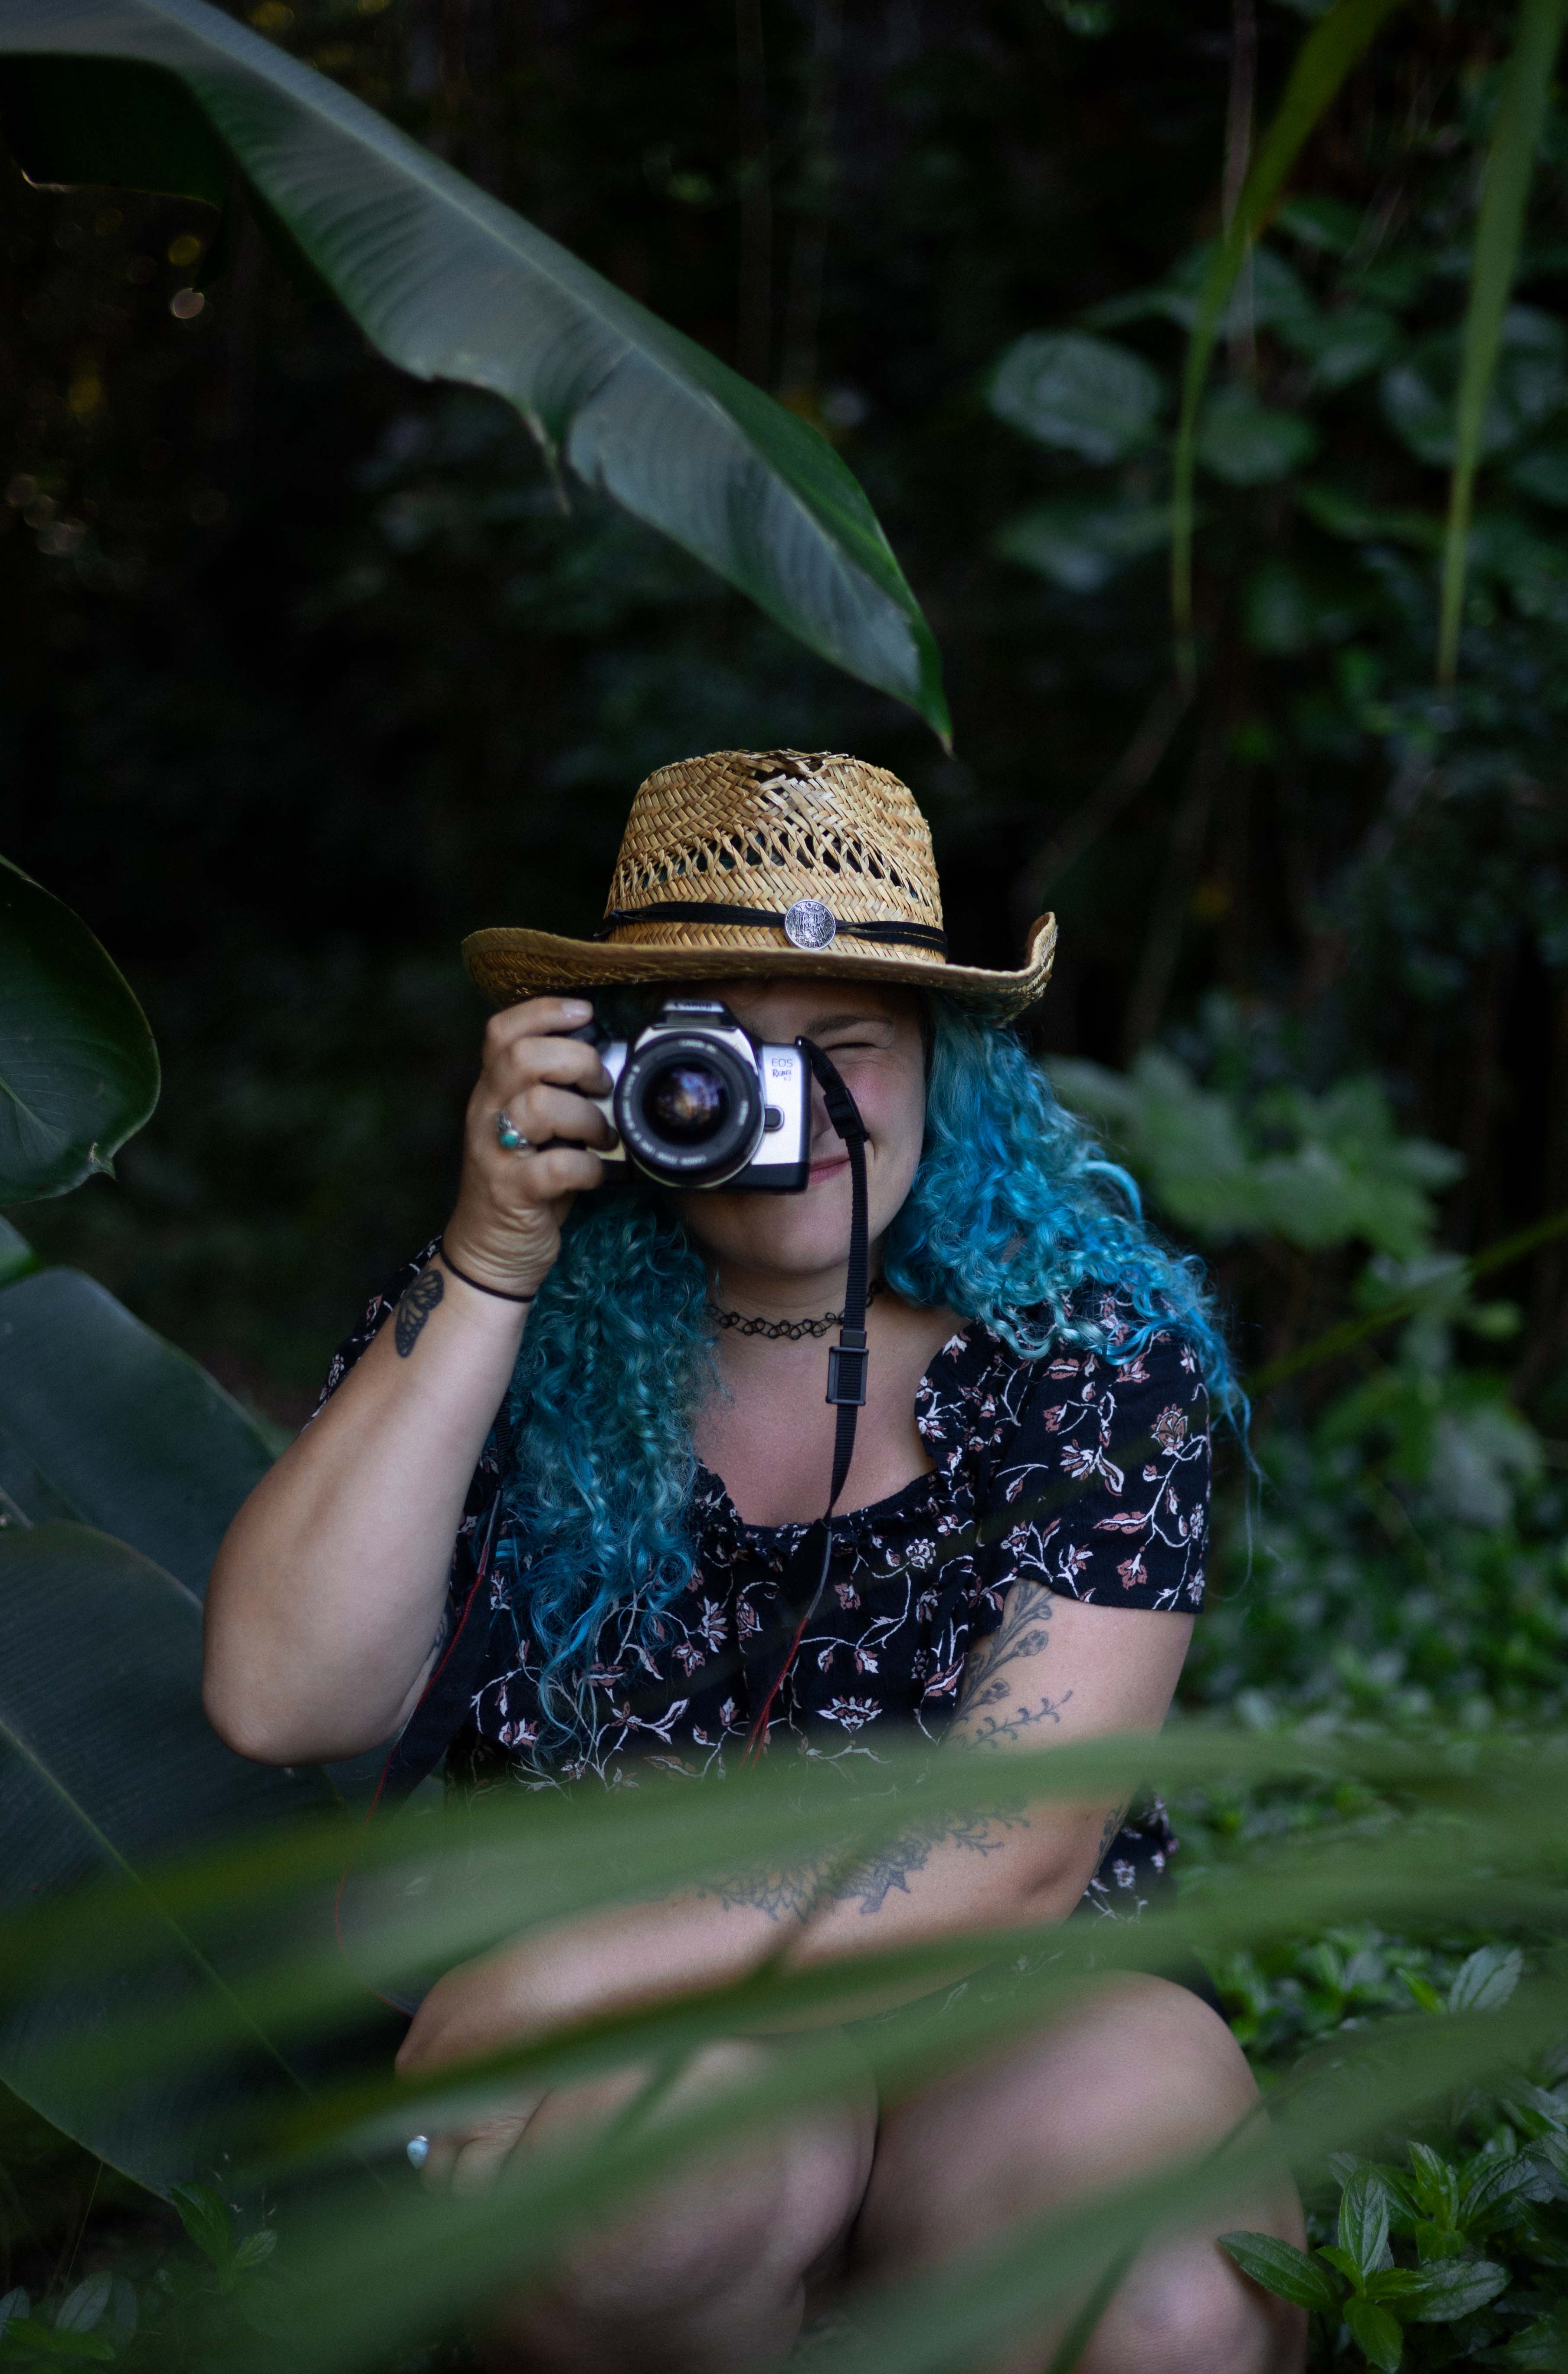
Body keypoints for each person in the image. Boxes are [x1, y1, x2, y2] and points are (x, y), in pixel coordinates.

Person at [204, 748, 1304, 2373]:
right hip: (657, 2050)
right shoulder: (508, 1316)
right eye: (723, 1053)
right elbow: (284, 1698)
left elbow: (1021, 1844)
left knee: (1163, 2317)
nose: (790, 1107)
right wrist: (494, 1253)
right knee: (637, 2231)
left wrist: (565, 1966)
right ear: (616, 1075)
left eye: (842, 1046)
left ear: (944, 1067)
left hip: (1002, 1998)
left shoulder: (1088, 1343)